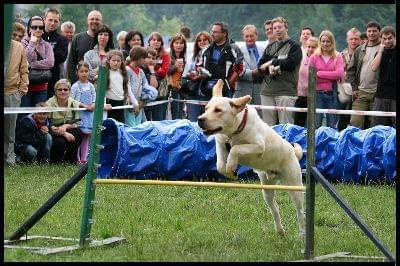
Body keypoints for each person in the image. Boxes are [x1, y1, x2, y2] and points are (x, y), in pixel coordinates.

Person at [256, 16, 302, 126]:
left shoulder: (294, 46)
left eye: (279, 27)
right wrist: (269, 68)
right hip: (267, 91)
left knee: (286, 126)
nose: (277, 30)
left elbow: (290, 63)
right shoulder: (270, 47)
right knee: (268, 127)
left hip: (286, 92)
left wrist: (273, 62)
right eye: (274, 28)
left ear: (286, 28)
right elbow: (260, 66)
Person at [46, 79, 92, 164]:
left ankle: (70, 160)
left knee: (78, 133)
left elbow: (77, 123)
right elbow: (47, 124)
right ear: (55, 92)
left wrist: (65, 126)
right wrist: (63, 133)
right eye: (60, 89)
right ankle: (56, 162)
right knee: (60, 143)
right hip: (53, 131)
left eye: (65, 89)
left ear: (69, 91)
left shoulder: (73, 103)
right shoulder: (49, 103)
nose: (63, 91)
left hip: (68, 128)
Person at [347, 21, 381, 129]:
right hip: (360, 93)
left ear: (379, 32)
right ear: (366, 32)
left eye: (374, 31)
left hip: (378, 94)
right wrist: (354, 88)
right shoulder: (359, 49)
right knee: (355, 123)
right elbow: (350, 70)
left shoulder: (383, 48)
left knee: (375, 125)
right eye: (369, 31)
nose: (371, 33)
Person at [309, 30, 344, 128]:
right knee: (316, 124)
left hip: (333, 93)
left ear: (332, 42)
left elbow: (339, 74)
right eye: (323, 41)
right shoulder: (314, 57)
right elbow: (311, 76)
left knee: (332, 125)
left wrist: (319, 73)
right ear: (320, 42)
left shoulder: (338, 56)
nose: (325, 44)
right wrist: (330, 76)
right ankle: (315, 143)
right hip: (316, 93)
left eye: (328, 41)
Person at [200, 22, 243, 99]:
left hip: (226, 91)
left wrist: (227, 84)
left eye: (215, 32)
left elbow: (240, 69)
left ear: (224, 33)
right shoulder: (206, 49)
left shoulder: (233, 48)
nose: (212, 34)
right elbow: (200, 66)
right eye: (212, 32)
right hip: (207, 89)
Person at [4, 40, 29, 166]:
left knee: (10, 130)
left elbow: (24, 70)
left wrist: (22, 90)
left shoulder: (19, 47)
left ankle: (9, 160)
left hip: (12, 92)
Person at [21, 15, 55, 108]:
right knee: (24, 116)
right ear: (29, 28)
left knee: (39, 116)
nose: (38, 29)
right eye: (34, 27)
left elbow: (50, 63)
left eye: (41, 27)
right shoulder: (23, 43)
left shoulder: (47, 45)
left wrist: (31, 65)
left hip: (42, 87)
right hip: (25, 87)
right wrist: (32, 43)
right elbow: (25, 59)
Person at [66, 10, 106, 84]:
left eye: (97, 19)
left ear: (101, 22)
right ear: (87, 21)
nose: (94, 21)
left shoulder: (106, 40)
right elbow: (71, 63)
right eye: (92, 19)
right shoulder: (78, 38)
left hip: (102, 84)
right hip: (80, 83)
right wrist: (75, 83)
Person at [182, 31, 212, 122]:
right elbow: (186, 72)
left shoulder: (213, 56)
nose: (202, 42)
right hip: (193, 93)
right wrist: (190, 75)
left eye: (204, 40)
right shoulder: (192, 57)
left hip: (208, 93)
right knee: (193, 121)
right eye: (199, 40)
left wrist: (201, 76)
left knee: (208, 122)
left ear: (209, 41)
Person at [70, 61, 96, 164]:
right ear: (77, 72)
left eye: (86, 71)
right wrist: (83, 105)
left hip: (89, 114)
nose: (84, 73)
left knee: (86, 136)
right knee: (79, 136)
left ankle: (84, 158)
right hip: (79, 114)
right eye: (81, 71)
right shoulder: (75, 86)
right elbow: (72, 100)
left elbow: (94, 97)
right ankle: (77, 158)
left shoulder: (91, 86)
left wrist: (93, 104)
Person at [235, 24, 264, 113]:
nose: (249, 39)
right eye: (247, 36)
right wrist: (252, 73)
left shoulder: (263, 50)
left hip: (260, 91)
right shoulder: (237, 51)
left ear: (256, 35)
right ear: (243, 37)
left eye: (251, 36)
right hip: (243, 91)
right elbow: (236, 71)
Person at [370, 26, 396, 128]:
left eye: (390, 38)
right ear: (381, 39)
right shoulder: (380, 52)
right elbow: (373, 67)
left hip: (394, 96)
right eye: (384, 39)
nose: (387, 41)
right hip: (381, 95)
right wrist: (380, 51)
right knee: (378, 126)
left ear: (394, 37)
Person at [337, 27, 361, 131]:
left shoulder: (363, 53)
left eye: (356, 39)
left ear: (360, 40)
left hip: (360, 90)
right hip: (344, 91)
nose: (354, 41)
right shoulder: (341, 55)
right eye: (351, 39)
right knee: (342, 116)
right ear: (347, 40)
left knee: (357, 119)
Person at [42, 8, 69, 99]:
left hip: (53, 83)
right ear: (44, 19)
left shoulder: (63, 39)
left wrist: (41, 52)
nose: (53, 23)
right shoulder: (36, 36)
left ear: (59, 23)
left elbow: (61, 57)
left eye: (56, 21)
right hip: (34, 82)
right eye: (50, 20)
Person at [105, 49, 137, 123]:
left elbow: (128, 89)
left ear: (121, 62)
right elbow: (102, 91)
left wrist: (134, 102)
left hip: (120, 102)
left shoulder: (123, 73)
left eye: (118, 61)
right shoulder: (106, 73)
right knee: (109, 124)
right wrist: (104, 104)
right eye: (113, 60)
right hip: (109, 103)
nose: (116, 63)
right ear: (108, 61)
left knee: (120, 124)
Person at [144, 32, 170, 121]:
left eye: (159, 40)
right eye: (154, 40)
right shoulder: (143, 52)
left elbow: (164, 72)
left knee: (159, 118)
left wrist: (153, 72)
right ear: (149, 41)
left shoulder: (165, 55)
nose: (156, 42)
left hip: (160, 90)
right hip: (146, 90)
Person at [294, 37, 318, 127]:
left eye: (313, 47)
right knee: (298, 124)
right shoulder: (300, 57)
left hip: (314, 96)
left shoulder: (319, 59)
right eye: (309, 47)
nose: (311, 49)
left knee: (311, 125)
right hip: (300, 95)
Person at [126, 46, 152, 126]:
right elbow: (127, 87)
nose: (145, 60)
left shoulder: (141, 71)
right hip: (129, 105)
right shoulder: (127, 70)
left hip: (139, 104)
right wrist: (134, 103)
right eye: (144, 58)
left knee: (140, 127)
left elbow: (146, 86)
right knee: (132, 128)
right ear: (138, 57)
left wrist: (143, 100)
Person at [167, 33, 187, 119]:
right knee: (173, 116)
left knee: (180, 114)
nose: (179, 45)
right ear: (172, 44)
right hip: (170, 89)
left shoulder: (185, 57)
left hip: (181, 89)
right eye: (177, 43)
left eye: (181, 43)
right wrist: (175, 66)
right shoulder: (167, 56)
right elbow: (165, 72)